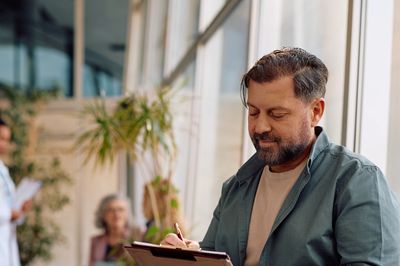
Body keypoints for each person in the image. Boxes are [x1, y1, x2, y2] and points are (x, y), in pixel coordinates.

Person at [161, 47, 400, 265]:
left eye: (276, 114)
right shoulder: (235, 189)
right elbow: (213, 255)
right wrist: (190, 256)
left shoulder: (357, 182)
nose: (260, 126)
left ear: (316, 111)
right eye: (253, 112)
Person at [0, 118, 32, 266]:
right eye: (1, 138)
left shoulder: (3, 169)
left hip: (6, 239)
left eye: (7, 140)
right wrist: (8, 213)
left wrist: (20, 210)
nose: (4, 144)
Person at [89, 193, 142, 266]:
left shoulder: (138, 236)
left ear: (127, 214)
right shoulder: (96, 241)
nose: (116, 214)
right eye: (111, 210)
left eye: (121, 209)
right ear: (103, 215)